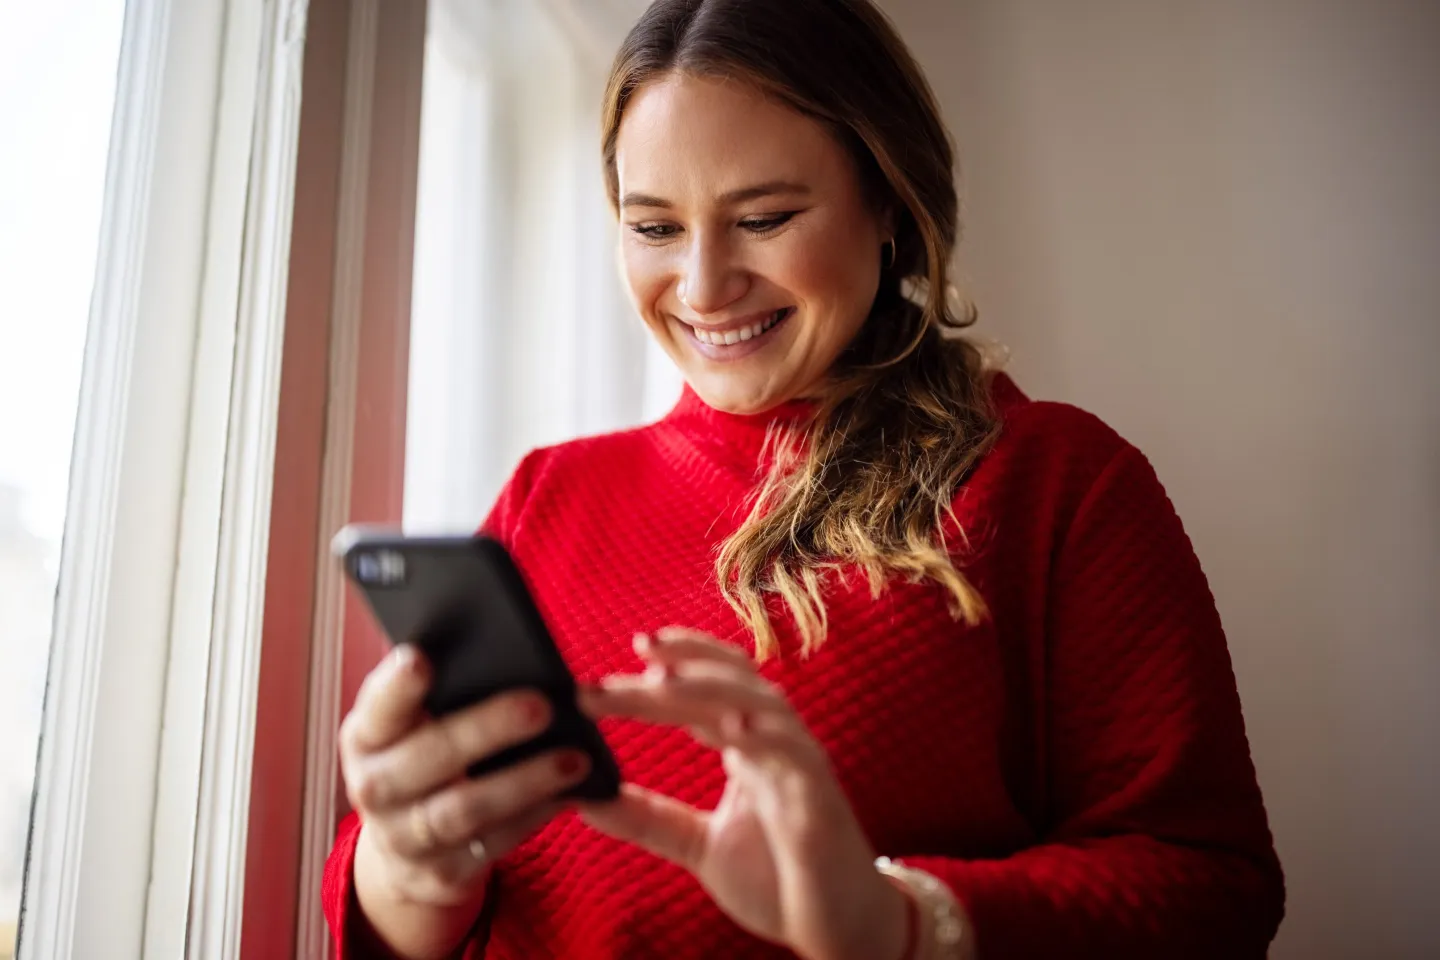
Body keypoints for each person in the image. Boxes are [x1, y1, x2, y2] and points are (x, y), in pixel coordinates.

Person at [321, 0, 1286, 957]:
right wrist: (405, 869)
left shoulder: (1057, 483)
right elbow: (406, 906)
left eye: (765, 217)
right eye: (654, 227)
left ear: (890, 207)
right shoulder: (548, 495)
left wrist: (898, 924)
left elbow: (1209, 888)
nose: (702, 287)